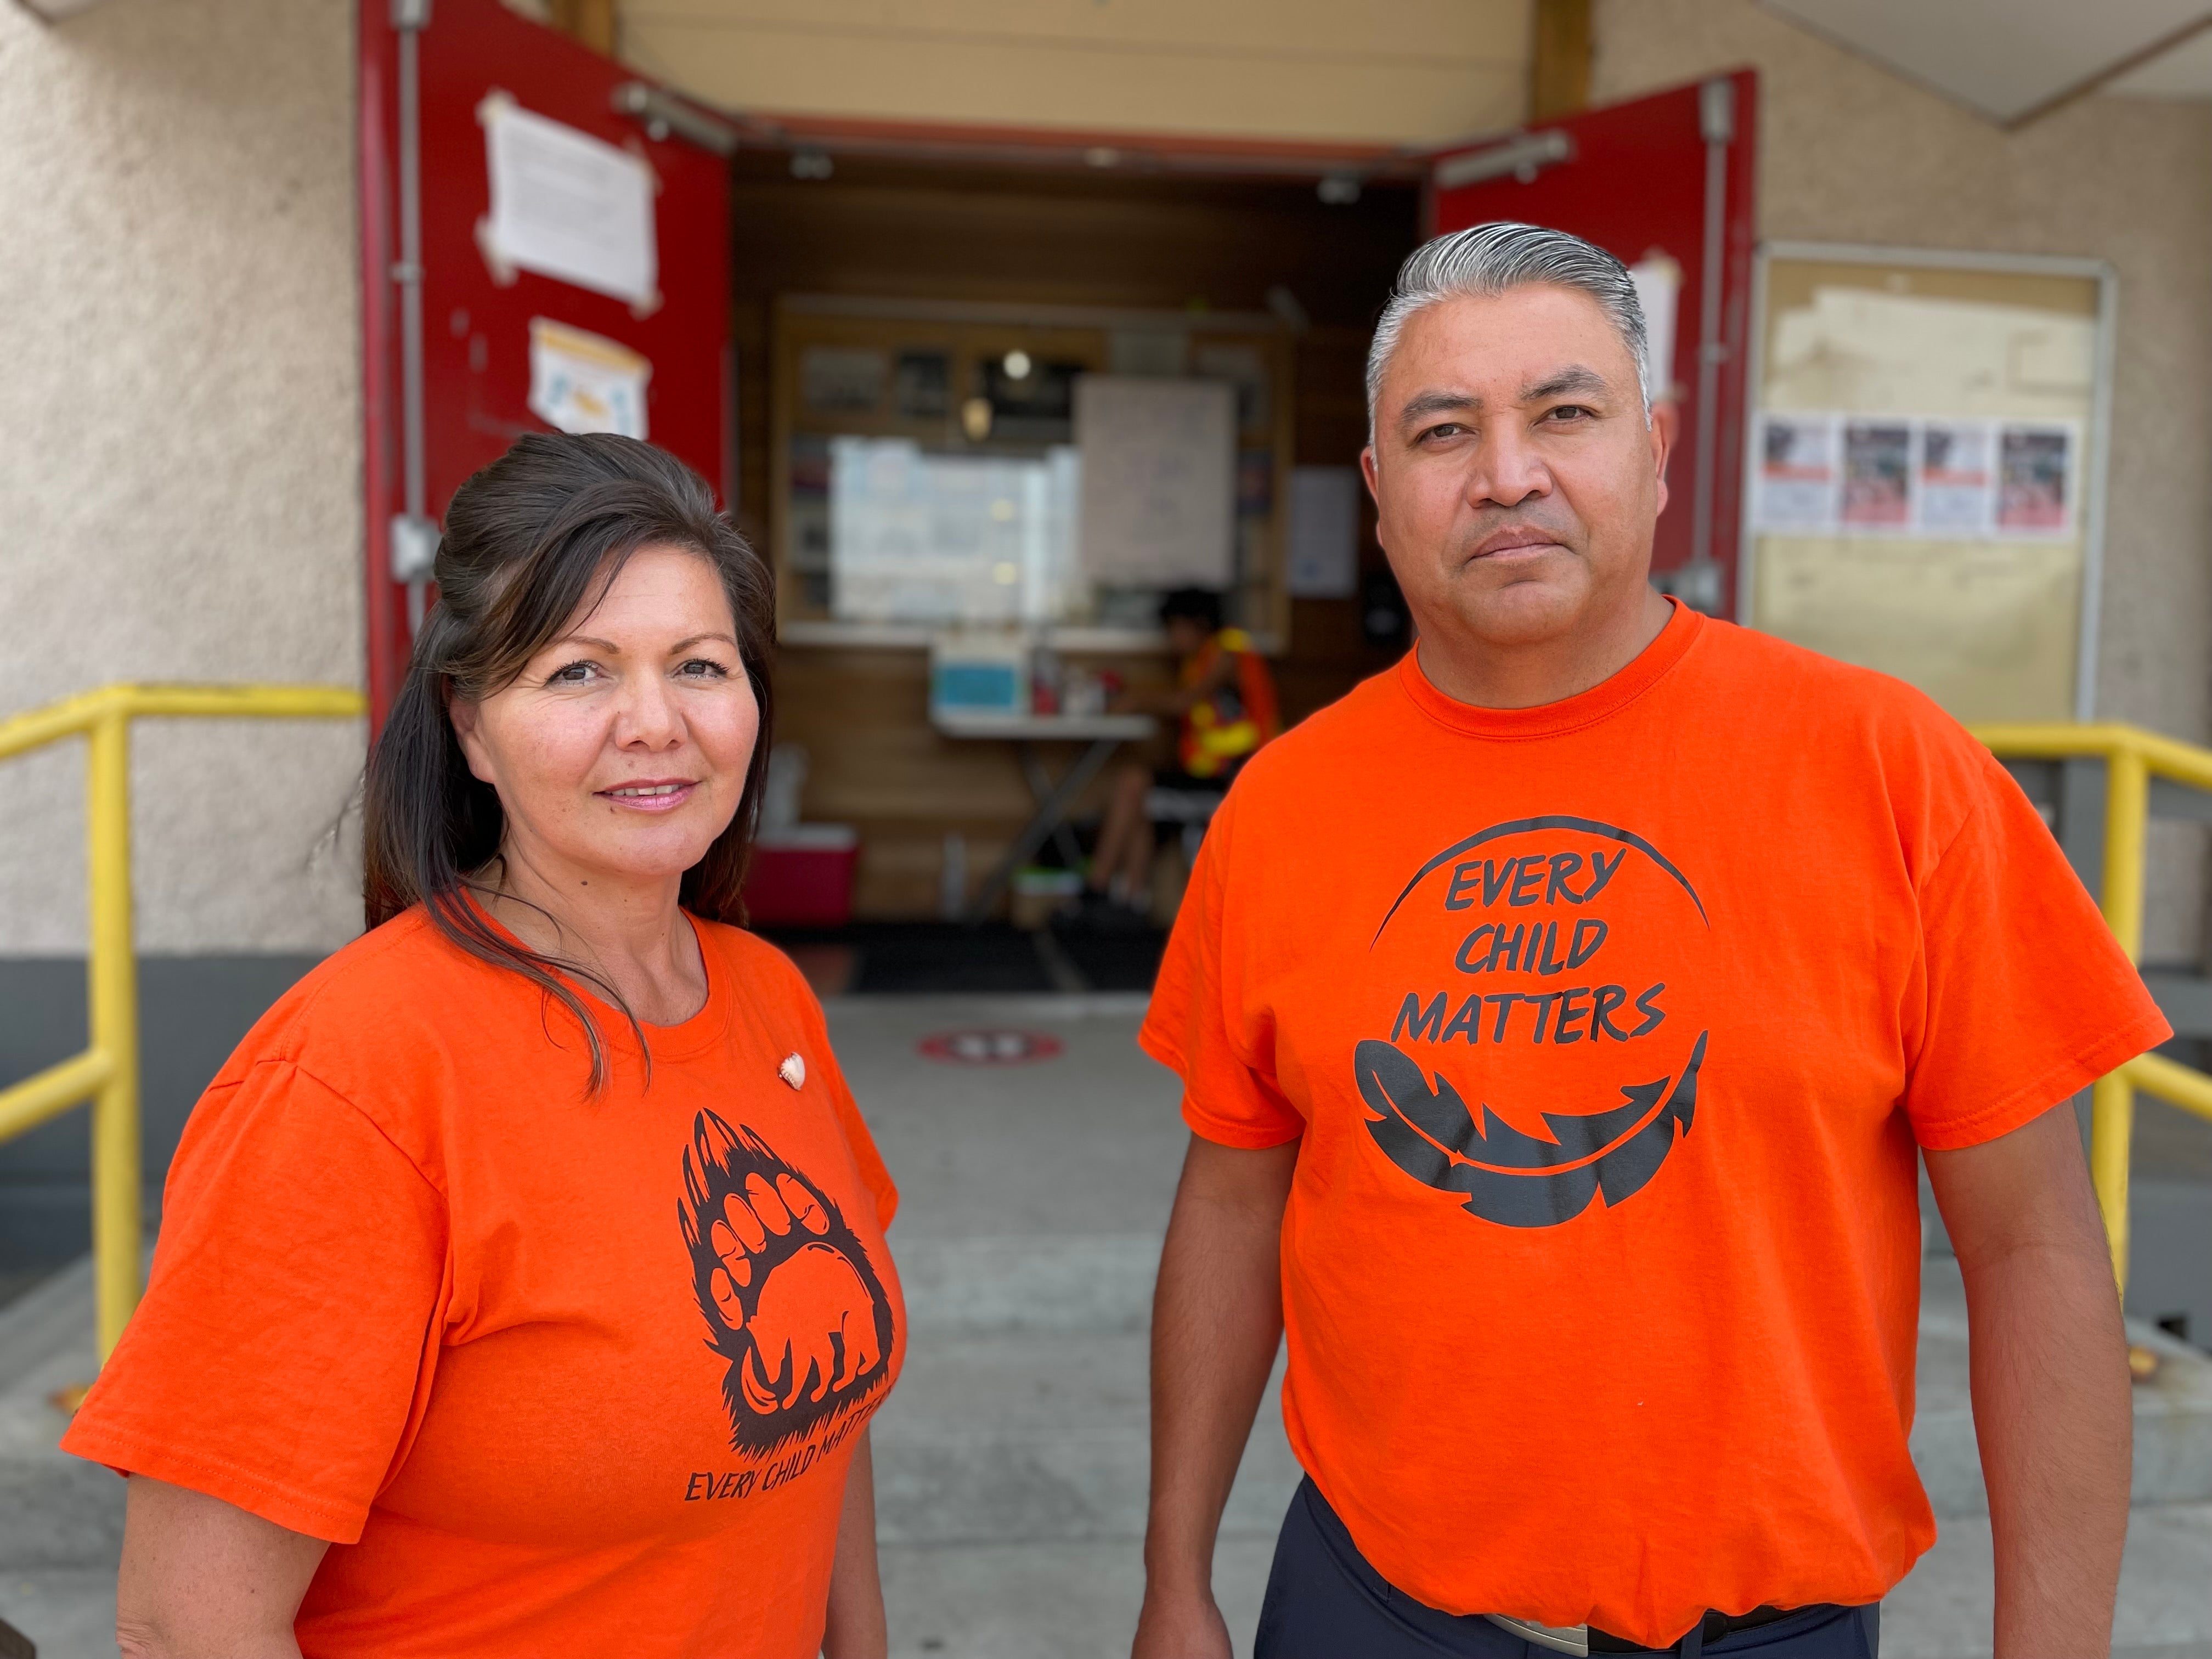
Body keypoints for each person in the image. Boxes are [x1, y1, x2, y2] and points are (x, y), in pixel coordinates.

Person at [1130, 223, 2167, 1658]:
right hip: (1376, 1613)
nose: (1507, 473)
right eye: (1445, 431)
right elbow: (1233, 1209)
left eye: (1565, 413)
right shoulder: (1282, 805)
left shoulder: (1891, 770)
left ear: (1657, 449)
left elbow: (2037, 1248)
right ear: (1379, 494)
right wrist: (1173, 1576)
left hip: (1768, 1629)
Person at [63, 433, 903, 1659]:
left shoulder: (770, 999)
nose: (655, 723)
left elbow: (822, 1431)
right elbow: (188, 1626)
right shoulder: (359, 1075)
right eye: (578, 674)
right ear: (470, 726)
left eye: (700, 665)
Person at [1080, 588, 1280, 922]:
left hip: (1237, 783)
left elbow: (1184, 702)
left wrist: (1133, 701)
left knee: (1133, 784)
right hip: (1214, 777)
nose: (1171, 640)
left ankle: (1098, 890)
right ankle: (1129, 901)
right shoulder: (1202, 658)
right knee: (1139, 793)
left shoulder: (1227, 653)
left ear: (1199, 625)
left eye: (1174, 629)